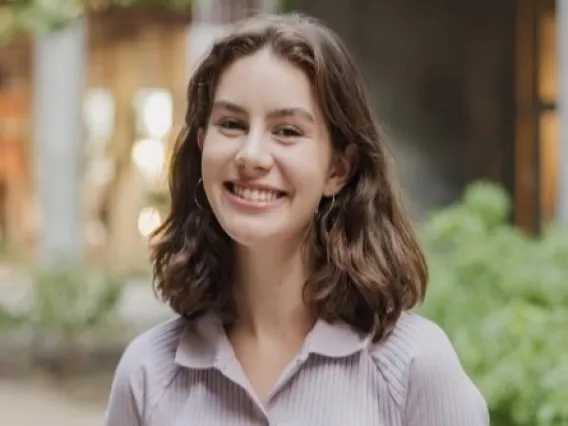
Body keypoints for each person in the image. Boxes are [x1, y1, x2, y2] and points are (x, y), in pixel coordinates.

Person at [105, 12, 489, 426]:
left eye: (287, 131)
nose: (251, 155)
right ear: (202, 147)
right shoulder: (148, 374)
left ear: (337, 169)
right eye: (231, 124)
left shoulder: (414, 369)